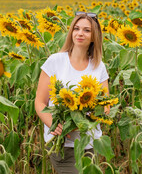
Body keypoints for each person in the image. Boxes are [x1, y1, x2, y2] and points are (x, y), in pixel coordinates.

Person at [35, 11, 109, 174]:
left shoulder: (99, 66)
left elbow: (105, 106)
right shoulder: (55, 61)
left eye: (87, 30)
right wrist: (54, 124)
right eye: (76, 28)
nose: (80, 33)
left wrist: (81, 121)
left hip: (89, 144)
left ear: (94, 36)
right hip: (62, 146)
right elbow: (40, 102)